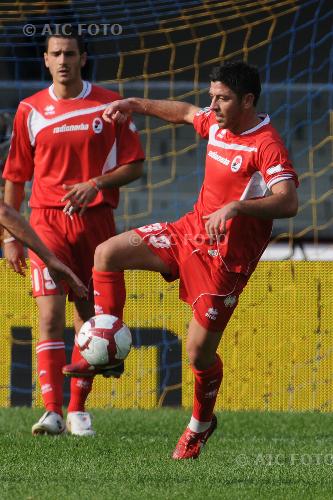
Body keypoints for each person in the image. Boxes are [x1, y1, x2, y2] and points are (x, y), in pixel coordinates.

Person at [64, 61, 299, 459]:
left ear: (247, 100)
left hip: (225, 262)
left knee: (198, 355)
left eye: (222, 98)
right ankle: (105, 340)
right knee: (107, 253)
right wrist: (135, 103)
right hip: (188, 233)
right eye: (212, 96)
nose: (213, 105)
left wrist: (237, 208)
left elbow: (289, 201)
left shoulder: (266, 143)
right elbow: (186, 113)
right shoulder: (218, 123)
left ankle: (200, 424)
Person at [2, 31, 144, 436]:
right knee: (49, 317)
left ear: (83, 58)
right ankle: (52, 412)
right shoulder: (29, 110)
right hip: (45, 223)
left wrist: (96, 183)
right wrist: (10, 237)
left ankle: (79, 409)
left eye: (70, 53)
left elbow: (135, 166)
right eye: (55, 54)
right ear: (45, 60)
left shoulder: (109, 104)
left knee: (92, 320)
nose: (62, 60)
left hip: (97, 224)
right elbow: (14, 179)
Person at [0, 201, 87, 297]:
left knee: (81, 300)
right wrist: (50, 260)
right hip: (56, 216)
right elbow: (4, 212)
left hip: (71, 214)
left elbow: (4, 212)